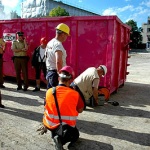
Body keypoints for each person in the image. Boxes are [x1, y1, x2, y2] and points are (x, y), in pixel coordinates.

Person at [42, 66, 84, 150]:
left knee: (57, 129)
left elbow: (45, 106)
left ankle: (55, 136)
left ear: (58, 78)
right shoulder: (75, 94)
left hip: (50, 125)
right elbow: (80, 110)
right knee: (76, 135)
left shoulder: (49, 91)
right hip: (65, 126)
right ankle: (62, 140)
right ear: (70, 80)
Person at [45, 23, 70, 89]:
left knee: (50, 94)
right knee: (56, 96)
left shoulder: (50, 42)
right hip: (55, 74)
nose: (66, 37)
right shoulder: (58, 45)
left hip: (50, 72)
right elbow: (58, 61)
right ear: (63, 34)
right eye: (66, 35)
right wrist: (60, 75)